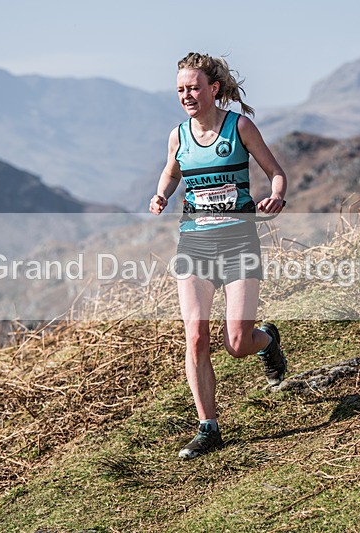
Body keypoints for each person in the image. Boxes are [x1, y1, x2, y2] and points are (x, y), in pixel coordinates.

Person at [149, 52, 288, 460]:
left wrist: (276, 196)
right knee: (195, 336)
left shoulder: (239, 127)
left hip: (239, 243)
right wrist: (162, 194)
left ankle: (268, 342)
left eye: (193, 88)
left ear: (213, 88)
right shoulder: (178, 135)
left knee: (237, 343)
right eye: (180, 90)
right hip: (194, 244)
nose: (187, 96)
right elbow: (172, 172)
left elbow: (275, 171)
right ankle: (208, 427)